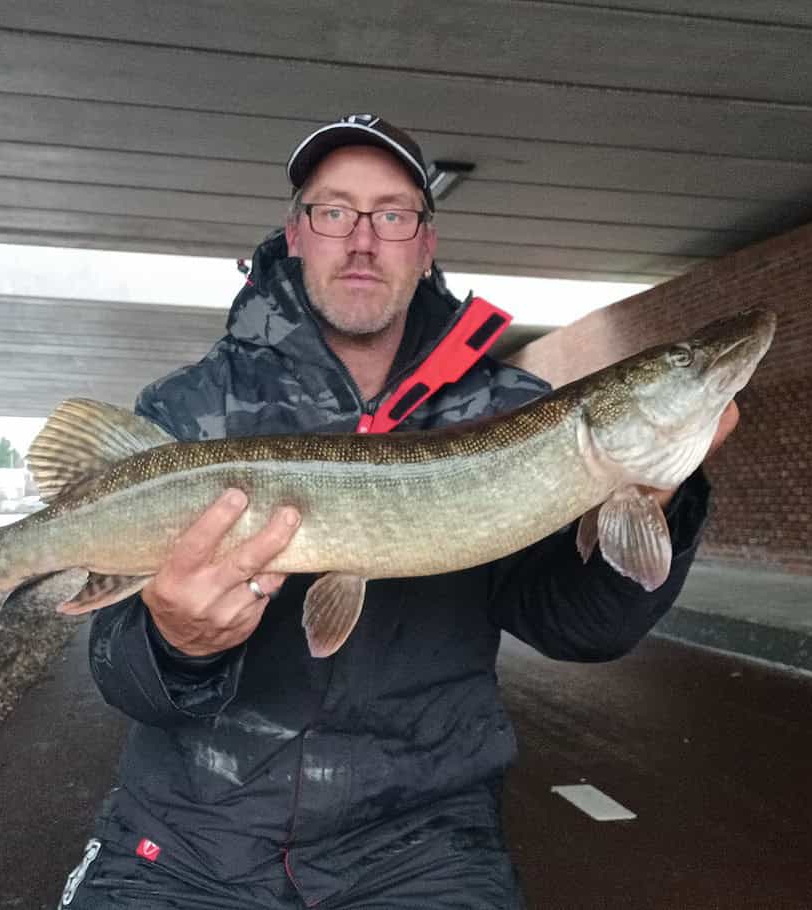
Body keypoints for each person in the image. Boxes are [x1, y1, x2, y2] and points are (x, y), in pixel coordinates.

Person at [59, 114, 732, 909]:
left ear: (425, 242)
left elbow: (578, 625)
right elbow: (120, 674)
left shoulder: (512, 410)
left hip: (423, 845)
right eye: (334, 210)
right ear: (296, 233)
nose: (364, 239)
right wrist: (175, 643)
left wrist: (660, 491)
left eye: (393, 214)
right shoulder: (192, 405)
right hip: (186, 835)